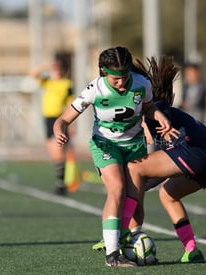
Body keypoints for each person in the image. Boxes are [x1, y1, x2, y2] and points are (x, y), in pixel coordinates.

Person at [53, 46, 171, 267]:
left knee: (135, 198)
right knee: (117, 188)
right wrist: (59, 130)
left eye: (124, 76)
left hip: (134, 145)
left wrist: (158, 115)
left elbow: (147, 108)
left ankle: (131, 239)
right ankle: (113, 253)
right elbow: (63, 119)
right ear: (103, 71)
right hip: (105, 144)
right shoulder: (94, 89)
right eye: (116, 78)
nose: (121, 82)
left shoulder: (141, 84)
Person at [124, 56, 206, 263]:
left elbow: (159, 112)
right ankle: (191, 249)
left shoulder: (157, 107)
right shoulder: (159, 111)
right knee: (168, 194)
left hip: (195, 152)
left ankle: (129, 235)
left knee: (133, 168)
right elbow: (149, 179)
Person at [30, 59, 74, 196]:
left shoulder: (67, 84)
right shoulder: (47, 82)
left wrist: (70, 123)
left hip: (60, 119)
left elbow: (71, 104)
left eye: (57, 68)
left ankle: (61, 184)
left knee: (59, 151)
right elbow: (32, 73)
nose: (55, 71)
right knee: (54, 153)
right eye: (53, 69)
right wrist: (47, 65)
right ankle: (60, 180)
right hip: (48, 119)